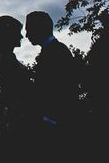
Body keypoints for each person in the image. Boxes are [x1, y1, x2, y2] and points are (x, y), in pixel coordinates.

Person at [25, 10, 81, 148]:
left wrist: (49, 120)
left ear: (39, 28)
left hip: (59, 126)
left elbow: (64, 89)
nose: (26, 35)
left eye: (29, 29)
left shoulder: (57, 52)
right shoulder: (53, 50)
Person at [0, 15, 34, 147]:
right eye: (18, 33)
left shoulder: (5, 58)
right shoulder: (7, 60)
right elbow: (14, 91)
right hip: (17, 117)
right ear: (9, 35)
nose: (21, 37)